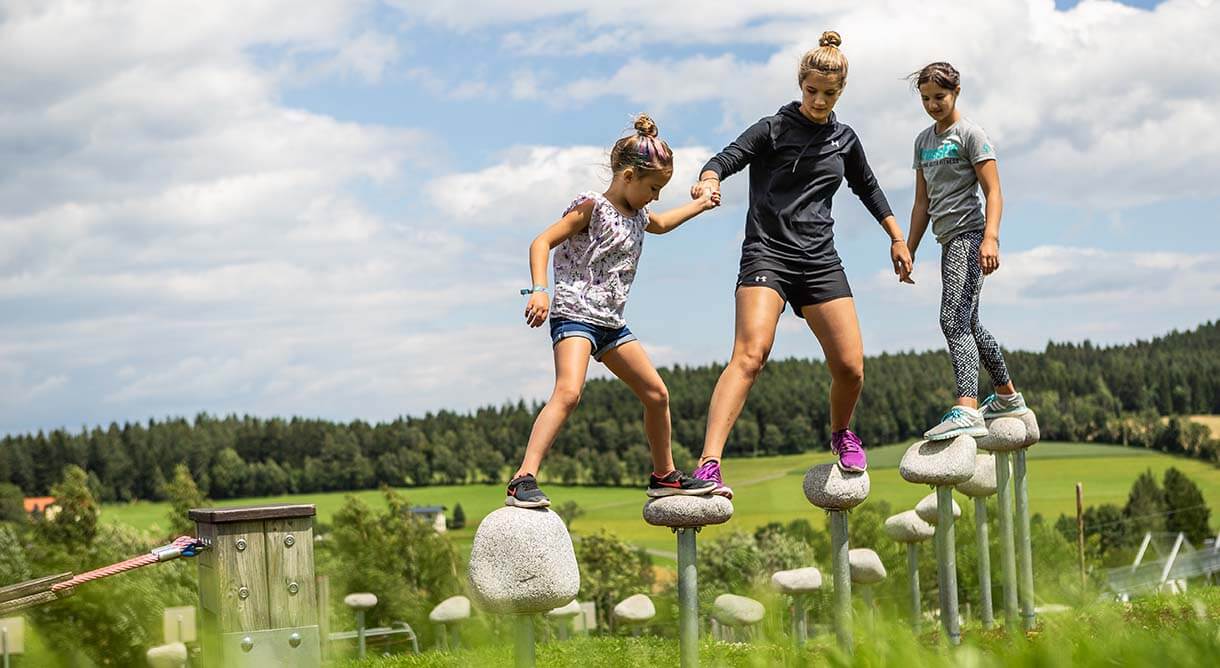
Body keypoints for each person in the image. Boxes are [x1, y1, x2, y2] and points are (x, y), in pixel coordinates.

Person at [689, 31, 912, 498]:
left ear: (841, 92)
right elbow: (725, 158)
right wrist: (708, 180)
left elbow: (868, 188)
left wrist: (896, 236)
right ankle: (709, 463)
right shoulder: (772, 128)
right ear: (801, 84)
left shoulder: (844, 139)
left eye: (828, 94)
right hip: (767, 252)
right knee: (751, 354)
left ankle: (841, 432)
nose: (818, 100)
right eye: (811, 90)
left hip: (820, 259)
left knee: (851, 368)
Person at [505, 114, 721, 508]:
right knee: (569, 392)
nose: (655, 196)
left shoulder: (639, 215)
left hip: (611, 322)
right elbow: (541, 242)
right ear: (626, 176)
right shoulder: (593, 207)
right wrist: (540, 290)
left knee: (656, 394)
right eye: (653, 187)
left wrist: (701, 205)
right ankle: (523, 478)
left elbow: (663, 223)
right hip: (574, 313)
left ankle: (664, 475)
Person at [904, 61, 1028, 441]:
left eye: (939, 97)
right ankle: (1007, 397)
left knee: (952, 319)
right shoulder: (923, 142)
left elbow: (994, 191)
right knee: (968, 324)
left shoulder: (971, 135)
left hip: (970, 237)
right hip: (946, 241)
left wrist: (991, 238)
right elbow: (922, 203)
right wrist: (908, 249)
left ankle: (968, 408)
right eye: (925, 98)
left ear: (956, 92)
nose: (932, 104)